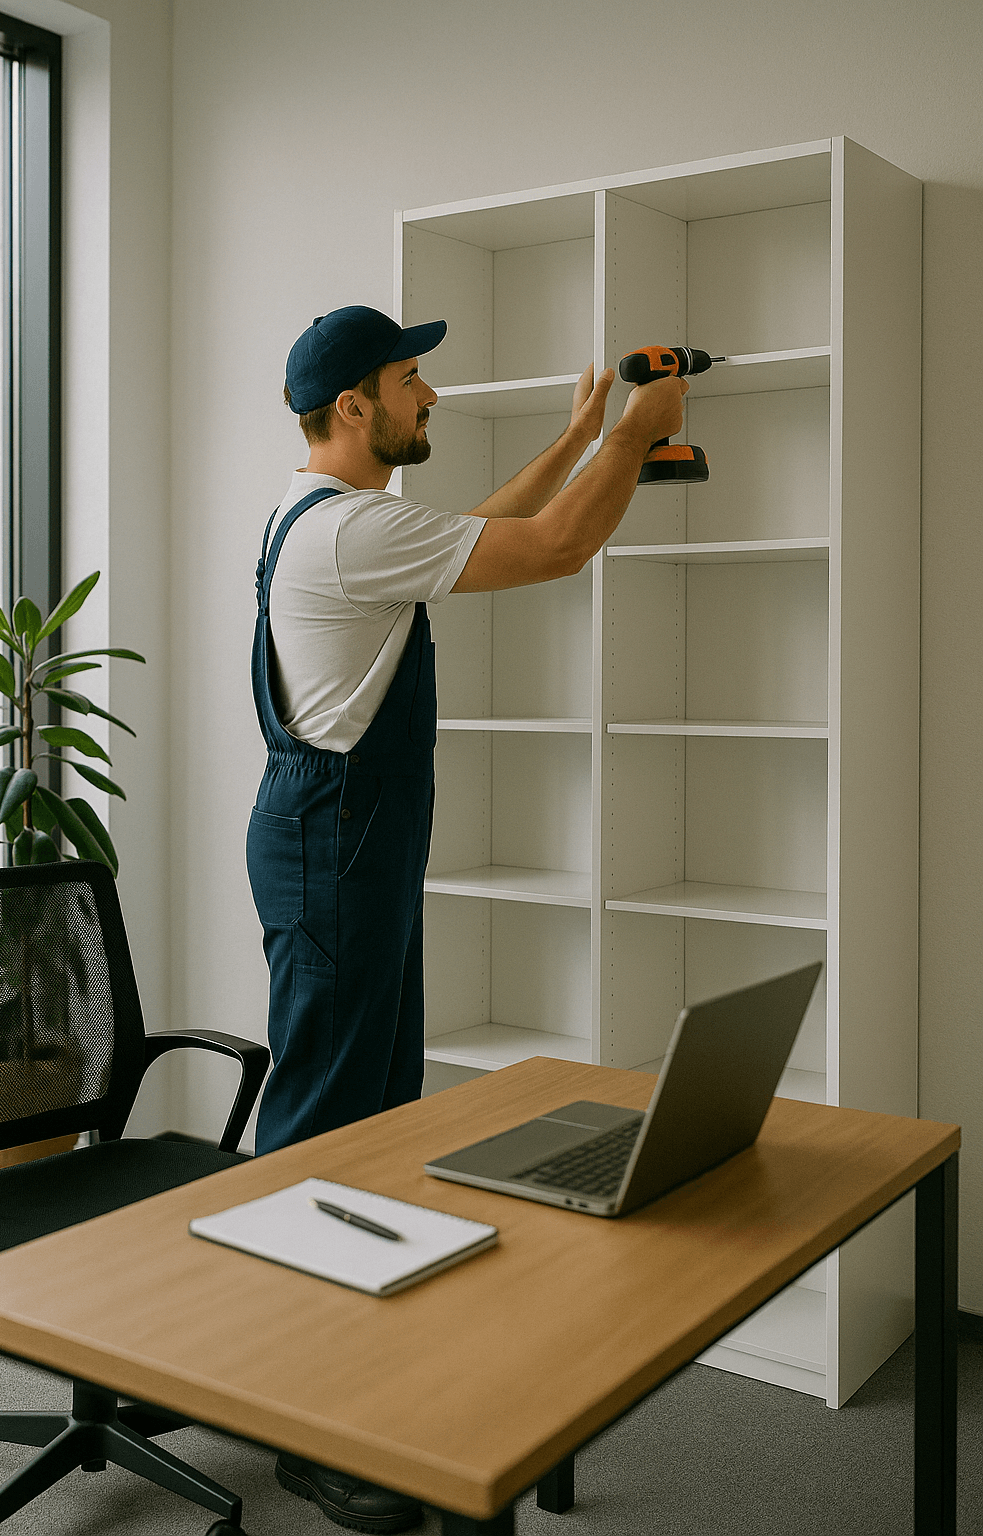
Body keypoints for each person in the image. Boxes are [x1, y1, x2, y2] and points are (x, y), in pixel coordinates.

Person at [247, 305, 684, 1533]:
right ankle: (300, 1420)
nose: (428, 394)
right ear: (355, 409)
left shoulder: (327, 516)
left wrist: (577, 433)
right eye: (410, 377)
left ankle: (360, 1388)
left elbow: (485, 527)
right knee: (326, 1132)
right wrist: (636, 445)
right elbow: (548, 552)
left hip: (339, 841)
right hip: (336, 847)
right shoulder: (347, 534)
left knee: (375, 1123)